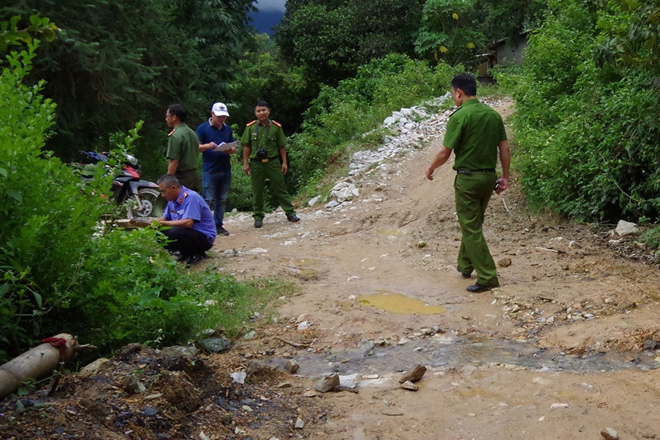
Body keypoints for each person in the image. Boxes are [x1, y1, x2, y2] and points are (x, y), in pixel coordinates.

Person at [425, 73, 510, 293]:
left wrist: (431, 167)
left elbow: (445, 152)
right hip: (488, 177)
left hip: (468, 179)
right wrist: (505, 177)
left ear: (458, 92)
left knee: (470, 227)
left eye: (453, 93)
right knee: (473, 222)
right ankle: (465, 264)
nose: (454, 97)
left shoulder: (460, 116)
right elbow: (504, 149)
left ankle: (488, 276)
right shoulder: (493, 115)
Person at [240, 100, 299, 228]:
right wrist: (245, 163)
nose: (261, 113)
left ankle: (290, 213)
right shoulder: (250, 127)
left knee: (280, 188)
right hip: (256, 163)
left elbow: (282, 146)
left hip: (273, 162)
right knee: (257, 191)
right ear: (255, 113)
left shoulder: (276, 127)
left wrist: (284, 162)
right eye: (258, 111)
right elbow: (246, 146)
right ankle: (258, 216)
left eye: (264, 110)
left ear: (269, 111)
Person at [155, 174, 216, 267]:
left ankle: (196, 254)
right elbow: (165, 217)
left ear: (173, 188)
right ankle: (184, 253)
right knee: (158, 231)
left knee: (176, 231)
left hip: (204, 237)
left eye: (164, 191)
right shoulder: (171, 200)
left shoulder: (191, 197)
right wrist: (153, 223)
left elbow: (188, 223)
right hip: (189, 233)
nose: (162, 195)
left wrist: (163, 223)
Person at [196, 102, 237, 236]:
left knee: (222, 199)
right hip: (210, 169)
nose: (221, 119)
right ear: (212, 114)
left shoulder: (227, 129)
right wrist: (208, 146)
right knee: (207, 199)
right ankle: (206, 225)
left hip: (225, 168)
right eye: (219, 116)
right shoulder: (202, 129)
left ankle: (218, 224)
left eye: (224, 116)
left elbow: (233, 147)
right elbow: (196, 146)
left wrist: (230, 150)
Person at [165, 104, 200, 192]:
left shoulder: (176, 135)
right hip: (194, 175)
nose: (166, 119)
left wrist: (168, 180)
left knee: (179, 204)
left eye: (167, 116)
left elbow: (174, 161)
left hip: (181, 177)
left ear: (174, 117)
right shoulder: (192, 133)